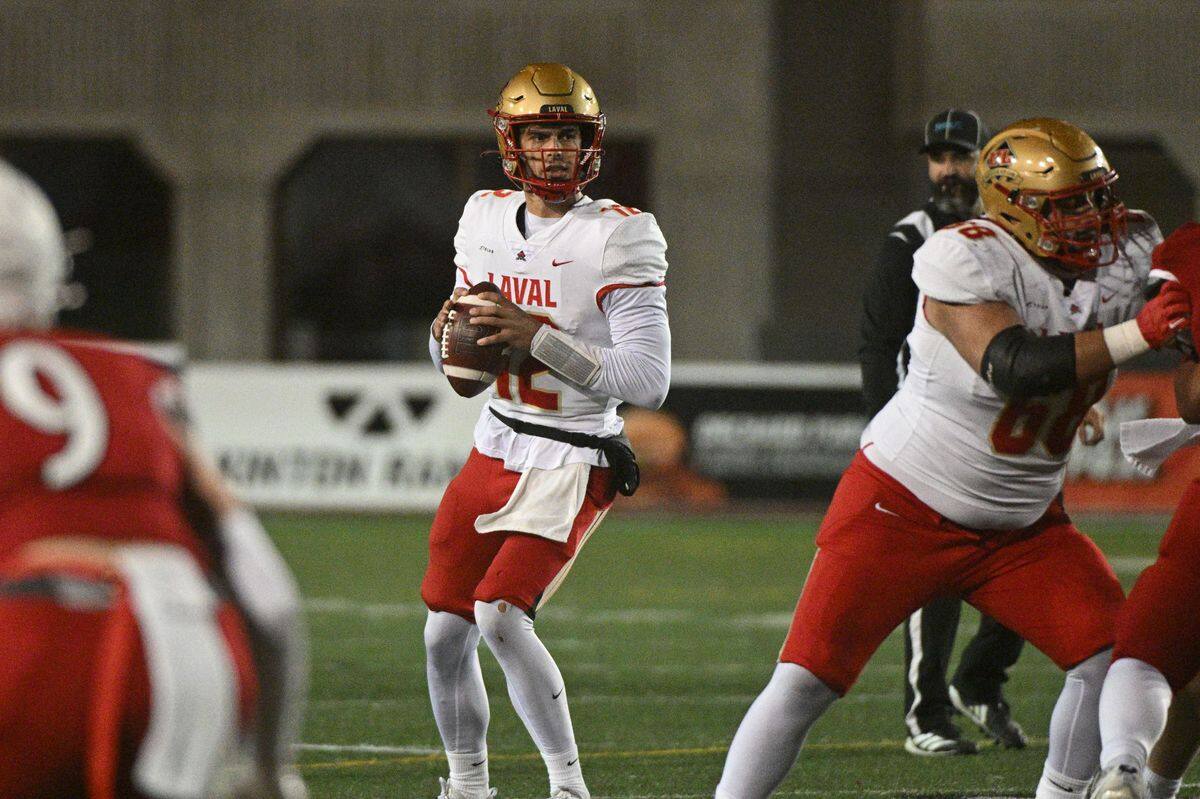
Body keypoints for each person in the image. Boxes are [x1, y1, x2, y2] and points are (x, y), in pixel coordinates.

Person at [714, 117, 1184, 799]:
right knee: (806, 680)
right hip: (902, 505)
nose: (1093, 217)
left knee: (1114, 657)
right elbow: (1014, 365)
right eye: (1068, 204)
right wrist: (1140, 332)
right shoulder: (963, 255)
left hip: (1022, 525)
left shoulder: (1126, 248)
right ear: (1016, 210)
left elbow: (1152, 314)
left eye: (1096, 196)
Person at [0, 159, 308, 799]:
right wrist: (271, 770)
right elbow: (270, 598)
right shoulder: (141, 379)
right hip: (190, 662)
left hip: (32, 646)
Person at [420, 63, 671, 799]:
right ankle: (468, 785)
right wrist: (445, 339)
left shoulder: (620, 235)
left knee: (500, 613)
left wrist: (538, 337)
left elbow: (647, 380)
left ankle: (568, 787)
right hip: (497, 438)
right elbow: (460, 358)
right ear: (513, 142)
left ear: (590, 143)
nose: (556, 150)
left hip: (574, 451)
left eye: (568, 135)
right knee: (443, 632)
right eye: (540, 135)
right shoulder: (483, 217)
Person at [860, 108, 1031, 755]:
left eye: (961, 155)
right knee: (932, 573)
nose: (949, 169)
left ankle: (979, 679)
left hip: (1002, 430)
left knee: (1032, 553)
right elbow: (878, 344)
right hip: (931, 433)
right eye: (940, 158)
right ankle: (926, 714)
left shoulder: (1010, 235)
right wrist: (889, 428)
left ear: (985, 160)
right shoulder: (909, 239)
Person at [1089, 222, 1200, 799]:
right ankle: (1143, 782)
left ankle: (1126, 768)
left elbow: (1194, 396)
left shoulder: (1190, 252)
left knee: (1148, 648)